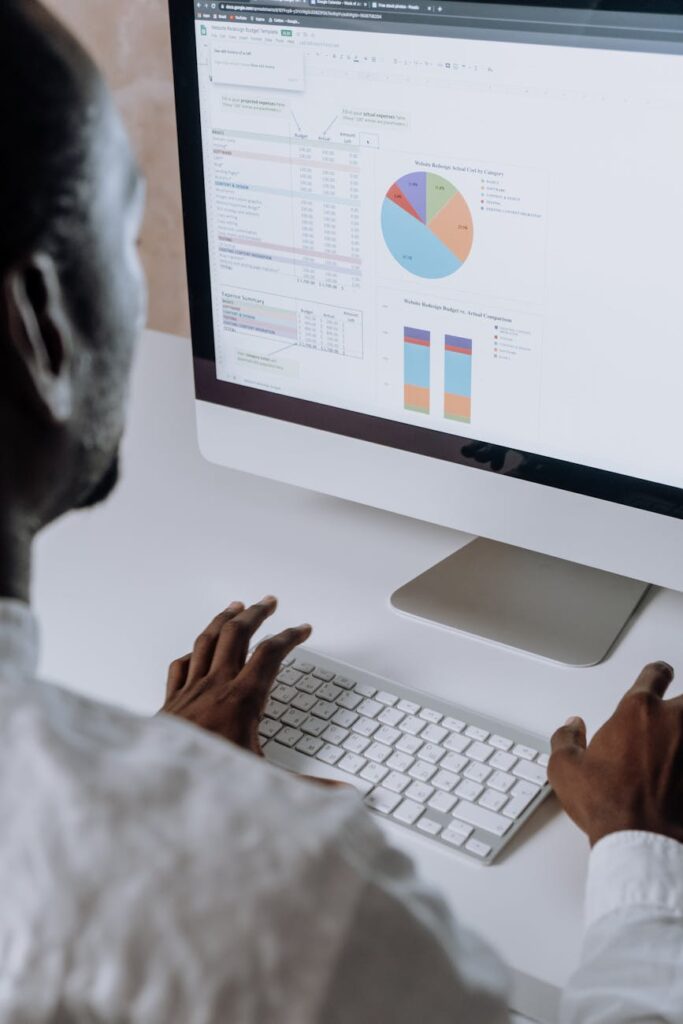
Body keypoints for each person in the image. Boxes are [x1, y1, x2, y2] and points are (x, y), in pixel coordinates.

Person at [0, 3, 682, 1022]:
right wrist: (640, 846)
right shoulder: (266, 887)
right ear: (38, 322)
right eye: (127, 230)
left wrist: (157, 773)